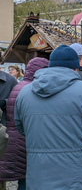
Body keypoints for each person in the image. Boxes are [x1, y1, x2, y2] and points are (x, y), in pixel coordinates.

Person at [14, 45, 82, 190]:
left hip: (38, 173)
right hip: (77, 174)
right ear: (75, 68)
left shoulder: (24, 93)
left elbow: (21, 128)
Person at [0, 57, 49, 190]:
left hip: (11, 135)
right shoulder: (32, 88)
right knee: (26, 178)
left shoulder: (18, 85)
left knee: (21, 176)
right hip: (23, 138)